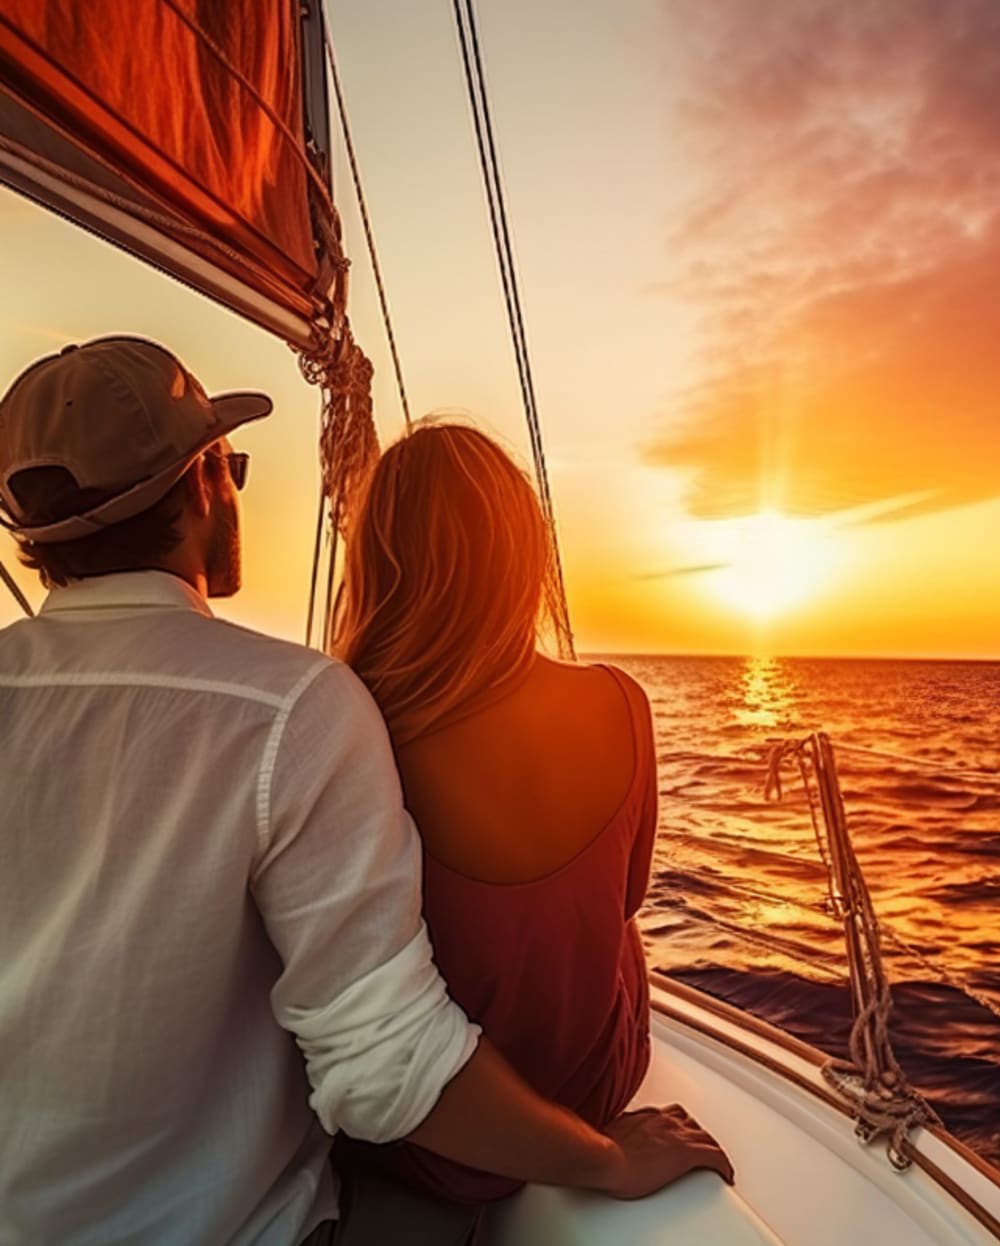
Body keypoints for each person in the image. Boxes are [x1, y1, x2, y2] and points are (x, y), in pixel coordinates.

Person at [0, 338, 732, 1246]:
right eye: (231, 465)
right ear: (202, 484)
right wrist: (608, 1161)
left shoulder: (348, 704)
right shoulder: (291, 710)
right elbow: (390, 1061)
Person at [332, 422, 732, 1241]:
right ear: (524, 557)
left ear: (378, 563)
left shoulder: (348, 727)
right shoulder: (620, 703)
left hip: (425, 1140)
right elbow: (625, 901)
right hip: (590, 1093)